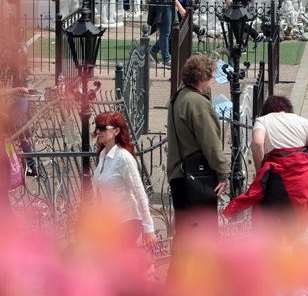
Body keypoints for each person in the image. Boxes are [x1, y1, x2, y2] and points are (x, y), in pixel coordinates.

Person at [224, 95, 308, 230]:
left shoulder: (263, 120)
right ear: (288, 109)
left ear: (267, 110)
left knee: (273, 226)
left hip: (277, 181)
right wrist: (303, 161)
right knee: (297, 226)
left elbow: (258, 142)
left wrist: (260, 169)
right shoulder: (303, 121)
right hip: (302, 181)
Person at [166, 55, 229, 236]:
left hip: (179, 175)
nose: (213, 81)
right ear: (202, 78)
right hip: (196, 178)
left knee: (185, 236)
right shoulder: (197, 102)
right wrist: (222, 172)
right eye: (211, 77)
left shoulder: (178, 97)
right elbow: (210, 142)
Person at [92, 111, 156, 250]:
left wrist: (149, 228)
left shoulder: (123, 158)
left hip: (127, 224)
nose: (98, 131)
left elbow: (139, 192)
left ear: (116, 131)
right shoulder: (103, 155)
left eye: (103, 128)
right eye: (97, 127)